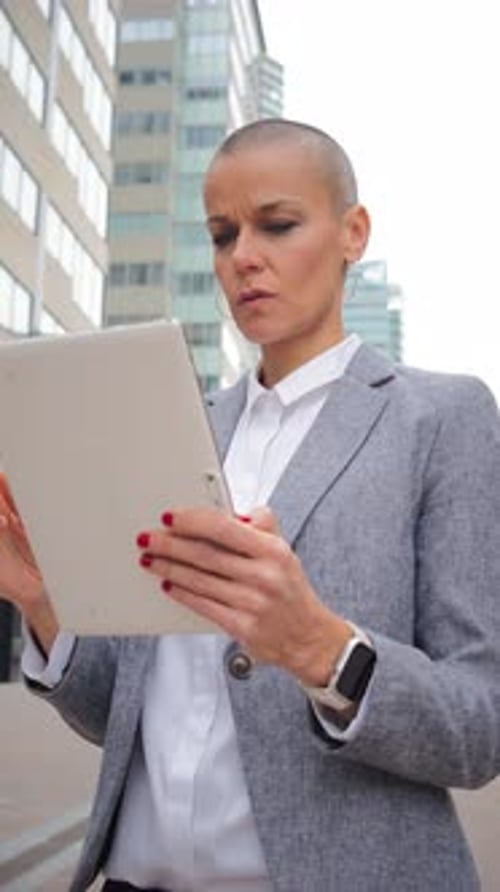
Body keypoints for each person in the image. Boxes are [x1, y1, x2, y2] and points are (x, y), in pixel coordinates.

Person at [0, 118, 499, 892]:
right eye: (223, 234)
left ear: (353, 232)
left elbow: (479, 725)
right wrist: (43, 602)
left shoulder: (441, 418)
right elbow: (122, 720)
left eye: (278, 224)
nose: (243, 258)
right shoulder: (170, 427)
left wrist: (323, 650)